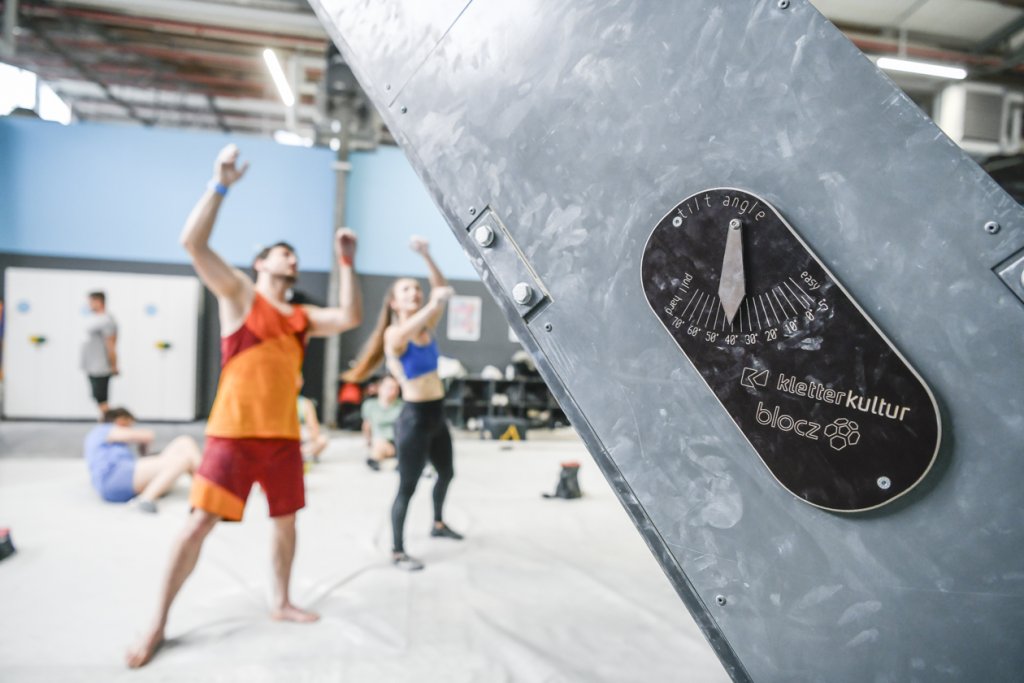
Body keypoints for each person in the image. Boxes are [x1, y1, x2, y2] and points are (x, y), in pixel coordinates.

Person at [126, 144, 363, 668]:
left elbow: (348, 315)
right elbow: (192, 241)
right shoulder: (237, 293)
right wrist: (220, 184)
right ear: (261, 264)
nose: (291, 259)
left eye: (294, 255)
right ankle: (157, 624)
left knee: (286, 523)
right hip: (231, 436)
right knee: (195, 526)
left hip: (281, 440)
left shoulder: (300, 317)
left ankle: (280, 602)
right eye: (282, 253)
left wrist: (347, 261)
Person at [344, 236, 462, 572]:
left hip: (437, 413)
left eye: (417, 288)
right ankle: (397, 550)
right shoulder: (394, 336)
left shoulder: (425, 326)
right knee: (407, 486)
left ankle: (438, 523)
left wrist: (427, 255)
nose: (415, 292)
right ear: (395, 303)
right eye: (406, 290)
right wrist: (434, 302)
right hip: (413, 419)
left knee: (447, 472)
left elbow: (439, 289)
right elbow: (430, 306)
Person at [83, 407, 201, 513]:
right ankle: (146, 499)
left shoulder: (108, 439)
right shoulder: (103, 429)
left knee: (184, 441)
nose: (130, 428)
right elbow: (147, 435)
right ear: (120, 420)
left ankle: (206, 487)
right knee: (181, 461)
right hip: (115, 478)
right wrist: (142, 439)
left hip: (123, 477)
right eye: (129, 424)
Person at [81, 291, 118, 417]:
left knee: (102, 398)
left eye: (91, 302)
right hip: (92, 365)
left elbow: (111, 344)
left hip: (101, 366)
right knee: (98, 398)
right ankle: (105, 423)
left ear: (99, 302)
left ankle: (108, 425)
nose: (89, 305)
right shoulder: (96, 319)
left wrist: (114, 365)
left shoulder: (106, 320)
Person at [361, 375, 403, 470]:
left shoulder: (402, 405)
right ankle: (374, 460)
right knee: (379, 445)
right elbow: (366, 425)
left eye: (396, 388)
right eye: (389, 387)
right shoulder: (369, 405)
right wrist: (367, 442)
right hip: (380, 441)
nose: (393, 391)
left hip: (399, 442)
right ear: (379, 388)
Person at [298, 393, 328, 464]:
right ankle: (303, 455)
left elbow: (313, 425)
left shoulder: (304, 403)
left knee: (322, 440)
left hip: (303, 439)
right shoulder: (305, 403)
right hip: (294, 439)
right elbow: (312, 424)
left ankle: (303, 454)